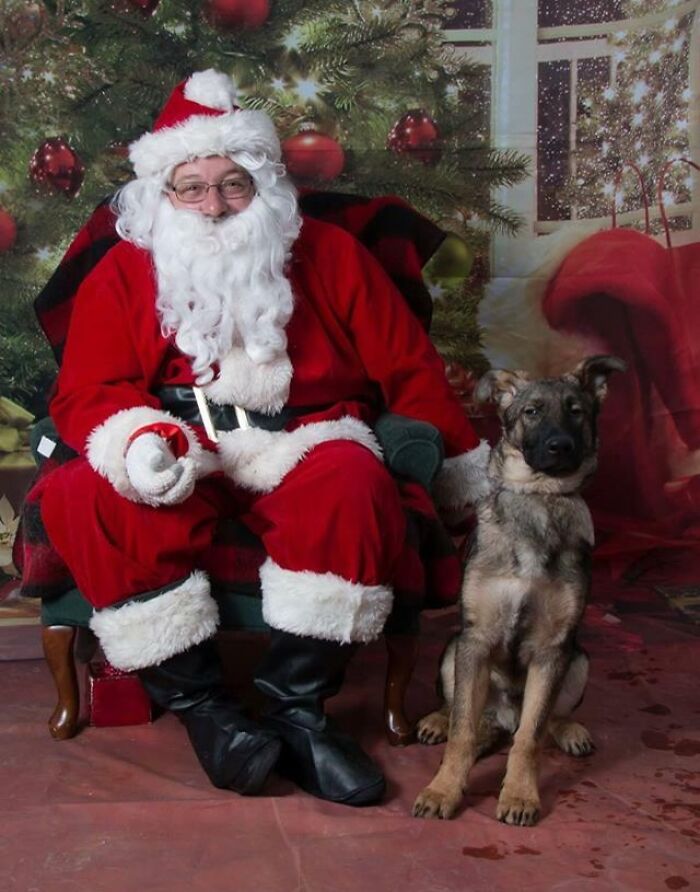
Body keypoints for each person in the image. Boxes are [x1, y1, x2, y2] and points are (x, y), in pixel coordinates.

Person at [39, 69, 489, 807]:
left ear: (264, 185)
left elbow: (406, 366)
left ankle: (297, 711)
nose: (213, 205)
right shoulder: (126, 268)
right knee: (89, 492)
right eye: (192, 187)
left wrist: (463, 464)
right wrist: (140, 440)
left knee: (354, 481)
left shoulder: (331, 255)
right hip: (182, 442)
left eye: (233, 184)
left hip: (306, 437)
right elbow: (87, 389)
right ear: (164, 192)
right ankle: (209, 713)